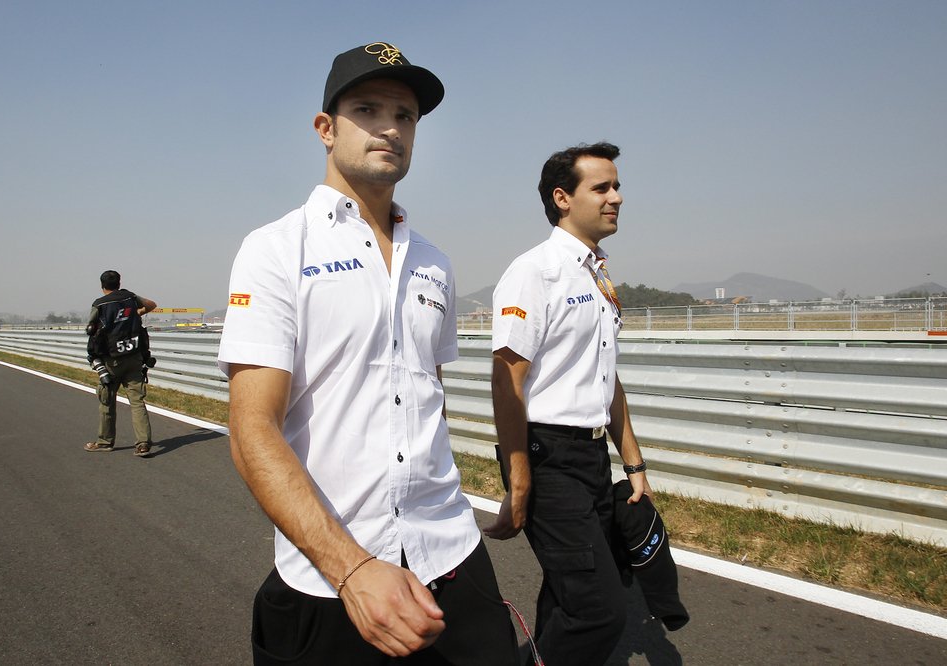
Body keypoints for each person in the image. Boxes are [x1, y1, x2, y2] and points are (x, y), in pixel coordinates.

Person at [218, 42, 520, 665]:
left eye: (405, 115)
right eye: (367, 110)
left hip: (450, 550)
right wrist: (352, 570)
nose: (390, 128)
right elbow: (251, 431)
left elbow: (427, 394)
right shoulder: (276, 249)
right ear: (325, 129)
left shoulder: (434, 263)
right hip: (332, 575)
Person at [484, 142, 654, 664]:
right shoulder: (535, 271)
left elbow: (606, 377)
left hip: (593, 456)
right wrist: (519, 479)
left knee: (568, 598)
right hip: (548, 456)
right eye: (601, 187)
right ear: (562, 198)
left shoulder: (596, 273)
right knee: (598, 609)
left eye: (617, 186)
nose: (616, 197)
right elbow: (506, 381)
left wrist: (634, 464)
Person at [83, 270, 157, 457]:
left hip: (111, 361)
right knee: (137, 402)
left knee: (107, 402)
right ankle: (143, 444)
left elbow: (91, 329)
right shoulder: (130, 297)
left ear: (102, 285)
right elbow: (151, 304)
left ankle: (105, 442)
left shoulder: (100, 304)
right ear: (119, 283)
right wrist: (137, 313)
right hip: (134, 357)